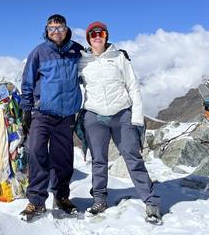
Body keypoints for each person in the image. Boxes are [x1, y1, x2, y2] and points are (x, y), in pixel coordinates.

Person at [78, 21, 162, 224]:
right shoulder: (82, 62)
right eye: (93, 34)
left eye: (101, 33)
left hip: (121, 114)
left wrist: (136, 118)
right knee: (99, 160)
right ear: (88, 38)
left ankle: (151, 202)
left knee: (133, 157)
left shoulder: (119, 57)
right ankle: (99, 199)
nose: (97, 36)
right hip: (94, 115)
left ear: (106, 36)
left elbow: (133, 86)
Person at [19, 14, 84, 221]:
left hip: (66, 116)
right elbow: (28, 80)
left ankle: (62, 197)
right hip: (42, 113)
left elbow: (96, 61)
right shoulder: (39, 52)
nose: (56, 32)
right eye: (52, 28)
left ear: (67, 29)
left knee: (63, 159)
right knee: (37, 153)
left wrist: (116, 54)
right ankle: (36, 201)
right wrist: (26, 108)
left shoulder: (77, 51)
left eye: (60, 28)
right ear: (46, 31)